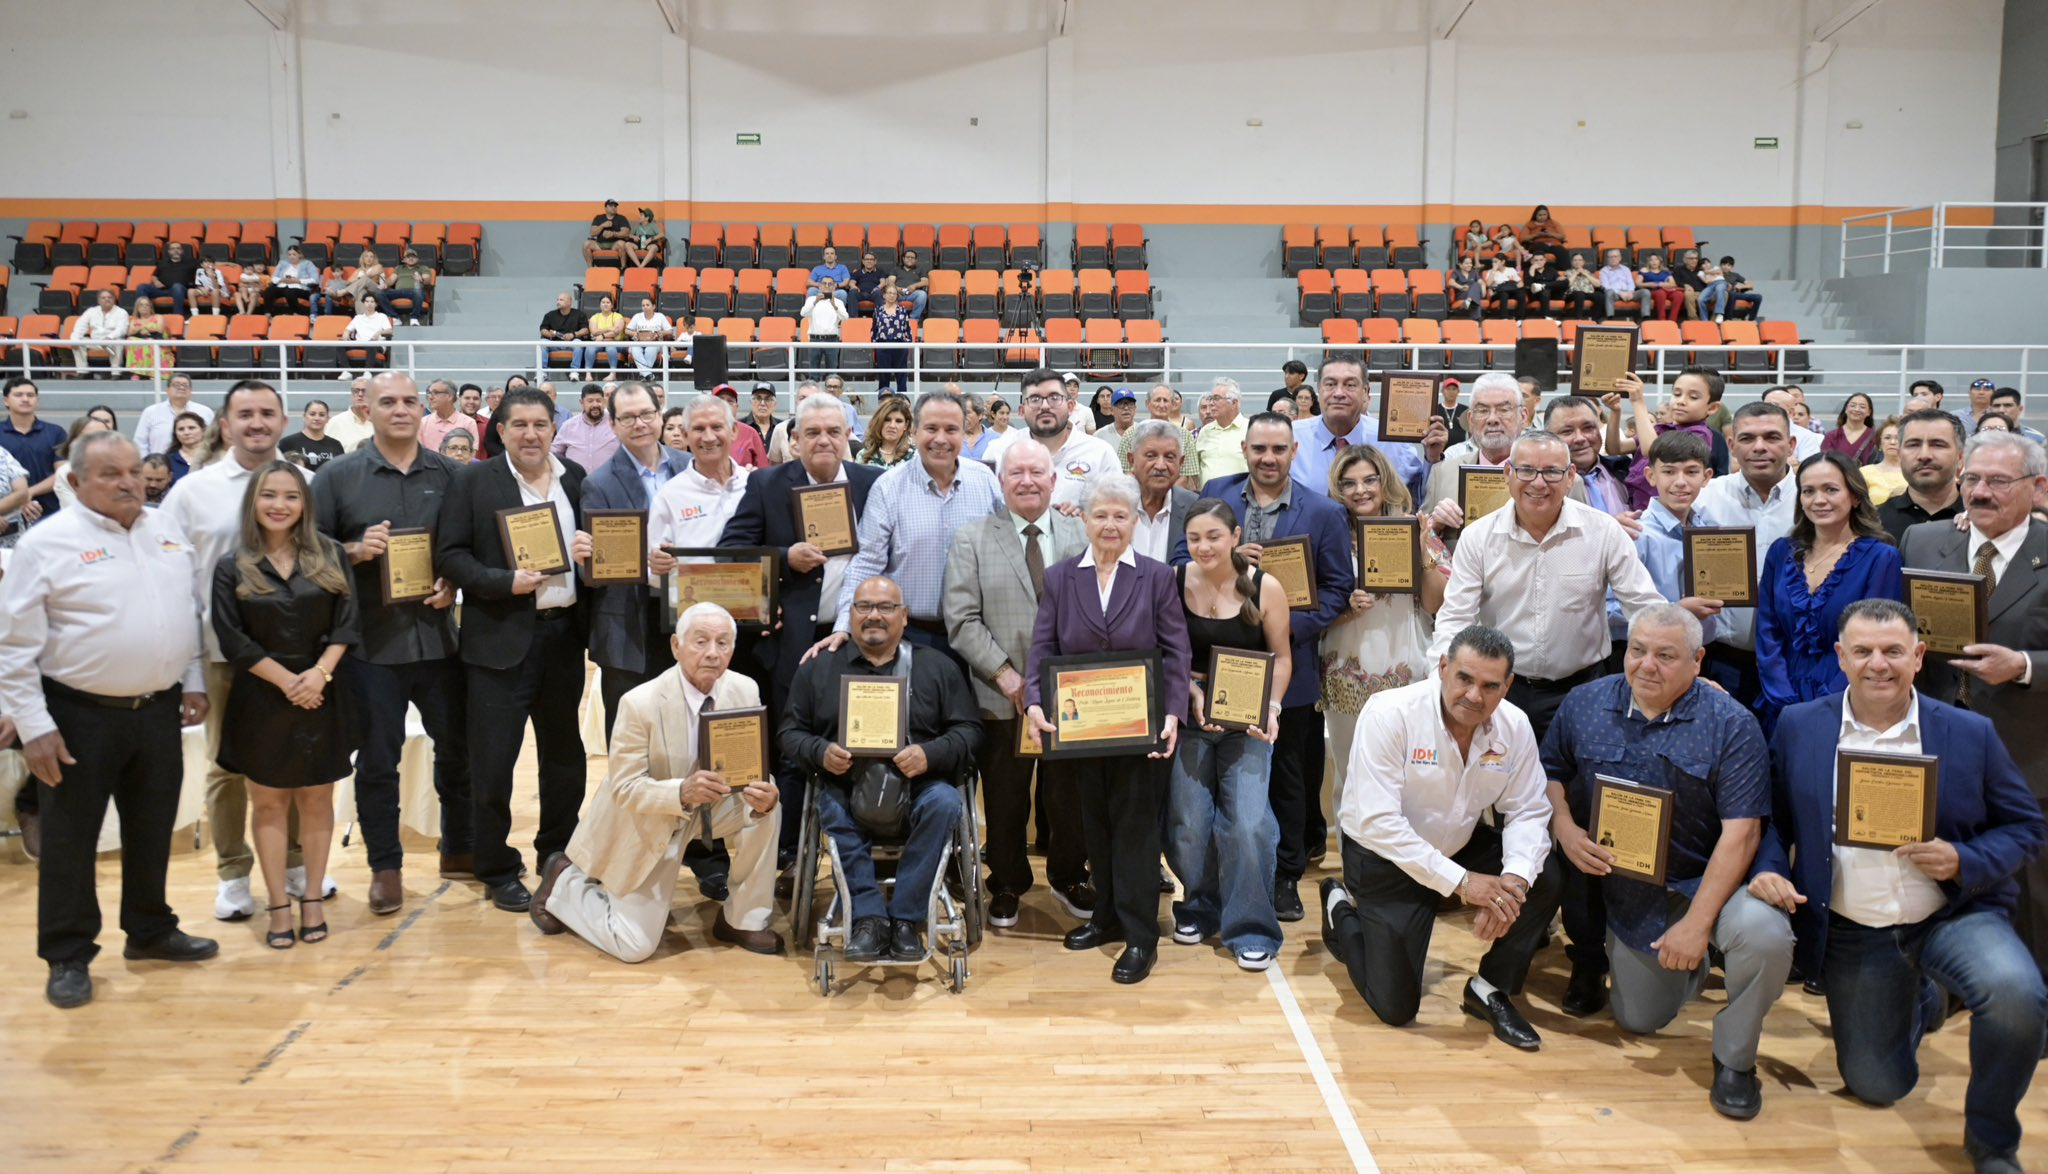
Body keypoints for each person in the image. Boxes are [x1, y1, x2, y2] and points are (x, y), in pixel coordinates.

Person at [1749, 599, 2046, 1173]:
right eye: (1862, 651)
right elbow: (1774, 818)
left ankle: (1993, 1141)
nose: (1878, 664)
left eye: (1892, 651)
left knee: (2016, 997)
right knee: (1878, 1084)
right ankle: (1927, 998)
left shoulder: (1969, 732)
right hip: (1855, 929)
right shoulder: (1800, 725)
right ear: (1841, 656)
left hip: (1952, 914)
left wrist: (1962, 858)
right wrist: (1770, 867)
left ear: (1918, 656)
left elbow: (2026, 828)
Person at [1544, 605, 1790, 1117]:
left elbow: (1743, 834)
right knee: (1638, 1019)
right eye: (1637, 650)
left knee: (1764, 935)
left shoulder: (1731, 723)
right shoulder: (1584, 703)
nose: (1646, 665)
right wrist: (1564, 826)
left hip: (1709, 882)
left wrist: (1698, 924)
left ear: (1698, 661)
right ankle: (1686, 965)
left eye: (1666, 655)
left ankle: (1735, 1059)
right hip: (1631, 894)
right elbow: (1550, 773)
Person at [0, 432, 218, 1008]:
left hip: (159, 710)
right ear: (74, 482)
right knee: (71, 838)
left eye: (133, 471)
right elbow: (13, 647)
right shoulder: (45, 544)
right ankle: (67, 953)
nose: (128, 483)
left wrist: (193, 680)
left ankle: (149, 930)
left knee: (151, 827)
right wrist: (34, 726)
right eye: (110, 474)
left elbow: (187, 614)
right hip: (77, 715)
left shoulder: (166, 530)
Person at [1319, 625, 1562, 1050]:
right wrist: (1463, 883)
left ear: (1507, 686)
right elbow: (1379, 823)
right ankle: (1339, 908)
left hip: (1456, 846)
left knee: (1545, 877)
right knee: (1395, 1007)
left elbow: (1528, 810)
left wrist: (1513, 884)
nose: (1474, 696)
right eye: (1464, 678)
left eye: (1490, 686)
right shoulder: (1390, 713)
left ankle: (1489, 988)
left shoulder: (1515, 726)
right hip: (1385, 856)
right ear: (1444, 667)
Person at [163, 380, 333, 918]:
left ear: (283, 421)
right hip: (222, 654)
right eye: (245, 414)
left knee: (299, 758)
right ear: (225, 424)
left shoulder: (312, 485)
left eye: (266, 413)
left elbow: (326, 563)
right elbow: (171, 576)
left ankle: (298, 864)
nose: (256, 423)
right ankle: (233, 873)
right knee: (227, 767)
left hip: (299, 657)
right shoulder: (193, 491)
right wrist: (188, 671)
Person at [529, 602, 784, 960]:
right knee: (634, 946)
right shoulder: (640, 703)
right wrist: (681, 792)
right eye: (701, 642)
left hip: (713, 807)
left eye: (723, 643)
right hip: (650, 815)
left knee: (768, 807)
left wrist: (762, 796)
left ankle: (742, 918)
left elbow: (749, 767)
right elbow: (625, 788)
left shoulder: (745, 689)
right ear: (676, 646)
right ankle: (565, 886)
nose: (713, 653)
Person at [312, 372, 473, 913]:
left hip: (440, 641)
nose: (401, 410)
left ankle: (460, 847)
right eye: (388, 402)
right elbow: (307, 552)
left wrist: (453, 580)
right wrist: (354, 551)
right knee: (378, 762)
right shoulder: (338, 476)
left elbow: (467, 547)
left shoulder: (452, 474)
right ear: (368, 408)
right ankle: (385, 866)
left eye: (410, 400)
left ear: (423, 408)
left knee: (458, 751)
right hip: (370, 647)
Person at [1185, 412, 1356, 916]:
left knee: (1288, 778)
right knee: (1218, 785)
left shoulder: (1323, 511)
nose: (1268, 457)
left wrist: (1277, 626)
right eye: (1259, 448)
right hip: (1214, 667)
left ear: (1293, 452)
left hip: (1288, 666)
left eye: (1279, 449)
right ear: (1244, 448)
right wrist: (1223, 557)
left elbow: (1337, 590)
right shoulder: (1215, 492)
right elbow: (1181, 557)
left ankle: (1286, 876)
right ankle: (1220, 878)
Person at [434, 387, 595, 913]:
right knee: (493, 759)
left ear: (554, 429)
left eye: (540, 424)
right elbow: (450, 555)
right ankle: (496, 866)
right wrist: (504, 582)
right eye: (519, 425)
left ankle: (557, 851)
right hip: (497, 639)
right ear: (500, 431)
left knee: (564, 755)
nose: (531, 434)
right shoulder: (473, 481)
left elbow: (594, 554)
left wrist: (591, 553)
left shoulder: (575, 479)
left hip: (564, 637)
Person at [1026, 473, 1191, 984]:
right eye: (1101, 515)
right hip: (1081, 729)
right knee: (1093, 824)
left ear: (1136, 521)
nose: (1111, 524)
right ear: (1084, 519)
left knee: (1135, 830)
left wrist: (1172, 713)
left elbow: (1176, 651)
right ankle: (1106, 917)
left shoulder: (1157, 577)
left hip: (1140, 730)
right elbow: (1042, 646)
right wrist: (1034, 701)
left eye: (1121, 515)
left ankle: (1141, 934)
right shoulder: (1060, 577)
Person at [1899, 430, 2048, 983]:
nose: (1981, 492)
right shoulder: (1921, 540)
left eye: (1999, 481)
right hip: (1936, 747)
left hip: (2025, 750)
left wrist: (2025, 665)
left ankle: (2030, 1006)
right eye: (1973, 479)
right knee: (1936, 877)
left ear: (2038, 487)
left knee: (2031, 893)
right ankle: (1944, 992)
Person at [783, 576, 982, 964]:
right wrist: (820, 752)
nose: (874, 615)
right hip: (845, 785)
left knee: (945, 802)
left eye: (886, 607)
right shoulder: (818, 668)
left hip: (920, 787)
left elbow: (970, 732)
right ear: (851, 614)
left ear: (904, 616)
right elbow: (790, 733)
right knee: (829, 806)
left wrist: (929, 753)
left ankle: (906, 918)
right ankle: (869, 918)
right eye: (864, 606)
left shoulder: (937, 667)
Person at [721, 392, 880, 864]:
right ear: (794, 440)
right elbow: (732, 552)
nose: (823, 440)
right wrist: (783, 558)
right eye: (812, 433)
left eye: (833, 431)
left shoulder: (875, 482)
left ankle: (861, 847)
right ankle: (787, 852)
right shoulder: (767, 484)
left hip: (860, 638)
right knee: (792, 747)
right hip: (792, 640)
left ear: (848, 435)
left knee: (861, 742)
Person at [1428, 429, 1664, 741]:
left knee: (1580, 773)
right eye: (1526, 470)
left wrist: (1675, 662)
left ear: (1570, 477)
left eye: (1552, 472)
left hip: (1584, 688)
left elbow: (1644, 606)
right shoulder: (1478, 537)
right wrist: (1438, 681)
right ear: (1508, 474)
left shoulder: (1603, 531)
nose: (1539, 483)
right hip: (1501, 690)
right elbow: (1456, 617)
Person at [941, 440, 1093, 928]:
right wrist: (1008, 677)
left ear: (1054, 480)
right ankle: (1006, 881)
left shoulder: (1083, 532)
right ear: (1001, 482)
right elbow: (962, 619)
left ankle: (1069, 875)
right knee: (1005, 798)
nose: (1027, 481)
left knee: (1068, 796)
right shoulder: (972, 538)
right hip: (999, 696)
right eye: (1016, 473)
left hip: (1070, 697)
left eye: (1036, 472)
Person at [209, 461, 358, 949]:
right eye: (269, 495)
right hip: (261, 696)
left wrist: (319, 674)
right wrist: (289, 681)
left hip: (322, 690)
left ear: (304, 504)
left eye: (291, 496)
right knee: (269, 802)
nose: (280, 505)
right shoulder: (232, 564)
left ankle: (311, 897)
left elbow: (347, 623)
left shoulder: (330, 555)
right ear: (253, 502)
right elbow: (233, 639)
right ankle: (276, 903)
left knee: (316, 799)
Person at [1169, 499, 1292, 970]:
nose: (1203, 547)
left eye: (1214, 536)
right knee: (1189, 822)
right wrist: (1190, 690)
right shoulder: (1174, 580)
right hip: (1191, 717)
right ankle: (1200, 907)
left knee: (1248, 822)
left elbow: (1282, 658)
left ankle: (1252, 926)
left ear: (1236, 536)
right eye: (1194, 538)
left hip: (1248, 721)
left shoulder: (1266, 586)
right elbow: (1167, 654)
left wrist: (1273, 707)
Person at [1321, 445, 1447, 818]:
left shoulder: (1415, 528)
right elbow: (1309, 610)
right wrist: (1345, 609)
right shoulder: (1328, 536)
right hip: (1347, 672)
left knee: (1408, 777)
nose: (1360, 490)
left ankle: (1403, 855)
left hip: (1406, 668)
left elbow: (1436, 604)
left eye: (1369, 480)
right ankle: (1354, 855)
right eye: (1349, 483)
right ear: (1338, 489)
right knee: (1351, 776)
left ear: (1384, 482)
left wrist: (1423, 550)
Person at [829, 390, 1001, 658]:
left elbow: (1008, 546)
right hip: (910, 636)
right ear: (914, 432)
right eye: (931, 428)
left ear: (963, 432)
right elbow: (867, 563)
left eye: (951, 429)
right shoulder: (888, 487)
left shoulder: (985, 480)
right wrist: (844, 626)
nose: (941, 439)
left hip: (979, 634)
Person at [1756, 452, 1904, 732]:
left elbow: (1873, 640)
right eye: (1808, 491)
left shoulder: (1882, 558)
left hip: (1846, 699)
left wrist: (1827, 703)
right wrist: (1782, 695)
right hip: (1780, 698)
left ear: (1855, 497)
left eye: (1831, 489)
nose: (1819, 500)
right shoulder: (1781, 551)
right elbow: (1767, 629)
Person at [578, 382, 692, 735]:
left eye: (646, 414)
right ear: (613, 424)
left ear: (660, 416)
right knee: (629, 736)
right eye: (628, 417)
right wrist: (643, 566)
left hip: (687, 613)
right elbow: (595, 569)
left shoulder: (690, 467)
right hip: (629, 624)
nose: (639, 423)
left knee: (685, 732)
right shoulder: (598, 483)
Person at [1696, 401, 1800, 706]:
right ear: (1731, 445)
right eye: (1747, 438)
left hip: (1795, 659)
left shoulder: (1813, 499)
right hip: (1723, 659)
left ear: (1791, 444)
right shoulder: (1705, 497)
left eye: (1772, 437)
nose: (1759, 447)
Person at [1293, 356, 1446, 508]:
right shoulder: (1291, 438)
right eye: (1330, 384)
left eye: (1350, 385)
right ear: (1319, 389)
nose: (1339, 393)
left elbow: (1416, 498)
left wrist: (1432, 458)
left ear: (1365, 391)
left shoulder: (1392, 440)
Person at [984, 369, 1121, 507]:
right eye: (1035, 399)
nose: (1045, 406)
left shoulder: (1100, 453)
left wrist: (1081, 517)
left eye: (1054, 398)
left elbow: (1116, 509)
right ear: (1022, 411)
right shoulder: (998, 452)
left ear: (1070, 407)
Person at [1616, 369, 1723, 512]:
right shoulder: (1661, 428)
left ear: (1712, 407)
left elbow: (1652, 451)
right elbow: (1616, 448)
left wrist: (1638, 402)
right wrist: (1615, 412)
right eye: (1677, 394)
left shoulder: (1700, 434)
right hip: (1634, 500)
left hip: (1662, 509)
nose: (1681, 401)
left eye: (1693, 397)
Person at [1877, 407, 1965, 540]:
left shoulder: (1980, 519)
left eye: (1938, 445)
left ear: (1960, 457)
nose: (1924, 455)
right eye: (1913, 445)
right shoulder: (1873, 523)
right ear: (1900, 455)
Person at [1544, 394, 1633, 518]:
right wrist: (1611, 527)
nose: (1580, 438)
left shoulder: (1626, 469)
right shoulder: (1540, 485)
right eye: (1567, 431)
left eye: (1588, 428)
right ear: (1547, 437)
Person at [1126, 420, 1198, 563]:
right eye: (1150, 456)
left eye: (1169, 457)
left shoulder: (1195, 508)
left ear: (1181, 462)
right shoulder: (1111, 506)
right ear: (1131, 459)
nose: (1160, 466)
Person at [134, 372, 213, 457]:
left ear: (190, 391)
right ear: (167, 390)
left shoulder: (205, 412)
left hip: (197, 462)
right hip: (160, 463)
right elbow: (140, 443)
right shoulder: (151, 412)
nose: (181, 387)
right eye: (176, 384)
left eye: (185, 385)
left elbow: (213, 439)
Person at [552, 383, 620, 473]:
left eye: (598, 400)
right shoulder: (569, 426)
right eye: (590, 401)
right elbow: (553, 454)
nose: (595, 405)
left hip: (609, 480)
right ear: (582, 403)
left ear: (604, 401)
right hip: (576, 481)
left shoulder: (616, 424)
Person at [1193, 378, 1249, 482]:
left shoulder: (1250, 430)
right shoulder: (1205, 431)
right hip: (1207, 492)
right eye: (1211, 398)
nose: (1211, 403)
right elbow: (1195, 471)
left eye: (1217, 398)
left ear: (1233, 403)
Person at [66, 289, 128, 377]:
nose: (107, 299)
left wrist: (109, 338)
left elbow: (121, 329)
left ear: (114, 299)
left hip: (112, 341)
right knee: (78, 342)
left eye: (109, 297)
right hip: (95, 341)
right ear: (98, 301)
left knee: (119, 342)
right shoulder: (91, 311)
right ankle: (83, 372)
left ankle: (116, 373)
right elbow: (80, 326)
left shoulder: (121, 312)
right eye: (103, 298)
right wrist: (74, 340)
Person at [134, 240, 199, 317]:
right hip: (162, 289)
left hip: (181, 290)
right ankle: (143, 315)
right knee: (142, 287)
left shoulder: (191, 262)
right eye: (173, 249)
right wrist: (156, 281)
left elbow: (203, 271)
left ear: (182, 251)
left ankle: (177, 316)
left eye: (178, 248)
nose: (175, 251)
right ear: (169, 251)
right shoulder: (162, 263)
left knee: (177, 287)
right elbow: (154, 275)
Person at [801, 278, 852, 374]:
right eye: (824, 283)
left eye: (830, 284)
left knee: (832, 372)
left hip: (832, 339)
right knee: (813, 372)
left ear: (834, 287)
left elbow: (845, 318)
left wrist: (834, 306)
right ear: (819, 286)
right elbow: (803, 313)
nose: (827, 286)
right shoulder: (811, 299)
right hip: (815, 339)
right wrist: (815, 302)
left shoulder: (838, 302)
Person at [279, 400, 346, 471]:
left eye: (322, 415)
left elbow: (342, 471)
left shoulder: (336, 445)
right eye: (312, 414)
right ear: (304, 416)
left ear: (327, 419)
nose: (317, 418)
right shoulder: (288, 443)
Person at [539, 292, 592, 378]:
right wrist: (550, 334)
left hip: (571, 342)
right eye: (557, 300)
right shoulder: (550, 315)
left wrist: (573, 335)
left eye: (561, 300)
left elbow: (585, 330)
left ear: (569, 302)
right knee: (542, 343)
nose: (558, 302)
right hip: (555, 343)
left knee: (578, 343)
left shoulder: (579, 314)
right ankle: (543, 372)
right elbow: (543, 330)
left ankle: (574, 371)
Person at [376, 248, 433, 326]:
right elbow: (391, 280)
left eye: (413, 256)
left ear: (417, 259)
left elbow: (428, 279)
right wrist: (385, 284)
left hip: (414, 291)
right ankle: (394, 317)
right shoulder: (399, 268)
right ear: (404, 259)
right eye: (408, 257)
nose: (411, 258)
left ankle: (414, 318)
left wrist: (421, 279)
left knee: (418, 292)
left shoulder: (423, 268)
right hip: (397, 292)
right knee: (378, 293)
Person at [1823, 392, 1881, 465]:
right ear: (1846, 409)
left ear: (1869, 412)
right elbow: (1826, 463)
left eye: (1862, 407)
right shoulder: (1831, 436)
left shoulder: (1875, 437)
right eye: (1853, 405)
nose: (1857, 409)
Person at [857, 396, 916, 467]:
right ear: (878, 422)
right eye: (887, 420)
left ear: (906, 425)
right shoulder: (863, 455)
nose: (892, 425)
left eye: (898, 421)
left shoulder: (915, 457)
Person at [323, 375, 375, 454]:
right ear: (351, 393)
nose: (360, 394)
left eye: (364, 391)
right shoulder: (336, 422)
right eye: (356, 391)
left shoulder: (380, 422)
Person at [1862, 416, 1907, 504]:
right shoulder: (1864, 472)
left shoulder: (1914, 472)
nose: (1892, 442)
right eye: (1887, 438)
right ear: (1879, 443)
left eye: (1897, 438)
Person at [122, 296, 170, 378]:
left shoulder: (158, 317)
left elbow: (159, 330)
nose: (144, 307)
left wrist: (142, 329)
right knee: (130, 340)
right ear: (137, 308)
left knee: (149, 342)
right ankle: (136, 373)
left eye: (147, 305)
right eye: (141, 305)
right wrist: (142, 330)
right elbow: (129, 333)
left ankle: (153, 373)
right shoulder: (134, 320)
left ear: (151, 307)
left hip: (157, 341)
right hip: (141, 340)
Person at [265, 245, 318, 313]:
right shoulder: (282, 263)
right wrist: (282, 280)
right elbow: (273, 278)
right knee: (269, 290)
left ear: (300, 255)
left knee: (289, 292)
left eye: (294, 254)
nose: (291, 257)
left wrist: (298, 281)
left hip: (300, 288)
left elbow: (315, 280)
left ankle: (297, 313)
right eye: (289, 255)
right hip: (282, 285)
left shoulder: (307, 264)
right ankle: (268, 314)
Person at [582, 295, 625, 376]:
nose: (605, 304)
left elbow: (616, 331)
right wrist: (609, 328)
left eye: (608, 302)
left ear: (612, 305)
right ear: (600, 305)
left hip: (615, 342)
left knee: (610, 348)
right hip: (599, 343)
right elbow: (594, 332)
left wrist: (603, 336)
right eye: (603, 302)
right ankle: (588, 373)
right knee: (590, 348)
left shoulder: (617, 316)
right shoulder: (595, 317)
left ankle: (612, 374)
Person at [583, 199, 631, 267]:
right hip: (599, 245)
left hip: (614, 245)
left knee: (622, 244)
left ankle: (623, 268)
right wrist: (602, 225)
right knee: (586, 244)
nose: (613, 207)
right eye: (611, 206)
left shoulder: (621, 218)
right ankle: (590, 268)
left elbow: (626, 233)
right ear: (605, 208)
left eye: (615, 206)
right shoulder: (599, 218)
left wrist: (613, 234)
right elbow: (592, 233)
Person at [167, 411, 211, 482]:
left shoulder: (214, 456)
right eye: (181, 429)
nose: (186, 433)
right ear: (175, 434)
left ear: (203, 430)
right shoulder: (168, 461)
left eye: (191, 428)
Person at [1446, 255, 1482, 321]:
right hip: (1463, 294)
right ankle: (1476, 319)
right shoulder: (1457, 272)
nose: (1469, 265)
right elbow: (1450, 282)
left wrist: (1483, 287)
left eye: (1470, 263)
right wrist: (1461, 287)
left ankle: (1468, 301)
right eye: (1467, 263)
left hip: (1474, 293)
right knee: (1475, 294)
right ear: (1460, 265)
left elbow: (1481, 282)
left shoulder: (1474, 272)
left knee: (1476, 285)